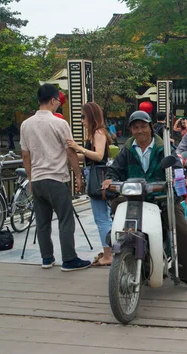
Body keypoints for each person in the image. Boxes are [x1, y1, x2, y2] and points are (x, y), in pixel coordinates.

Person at [103, 111, 187, 286]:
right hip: (134, 199)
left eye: (143, 126)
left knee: (183, 232)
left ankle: (185, 271)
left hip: (161, 198)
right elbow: (114, 170)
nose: (140, 131)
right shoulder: (127, 151)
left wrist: (177, 185)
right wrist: (109, 180)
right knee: (116, 208)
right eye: (135, 127)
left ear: (151, 127)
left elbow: (177, 169)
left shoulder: (165, 149)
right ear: (131, 130)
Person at [20, 83, 91, 271]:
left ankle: (46, 258)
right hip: (57, 179)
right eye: (58, 102)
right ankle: (69, 259)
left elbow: (25, 155)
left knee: (42, 222)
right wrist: (78, 176)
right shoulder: (60, 123)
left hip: (37, 179)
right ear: (52, 100)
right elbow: (70, 152)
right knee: (65, 219)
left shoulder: (25, 125)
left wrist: (30, 178)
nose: (58, 105)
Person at [66, 102, 113, 267]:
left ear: (91, 117)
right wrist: (71, 155)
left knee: (101, 218)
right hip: (97, 175)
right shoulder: (95, 133)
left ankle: (108, 254)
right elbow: (89, 157)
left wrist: (78, 147)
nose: (81, 121)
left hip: (98, 178)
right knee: (104, 217)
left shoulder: (98, 133)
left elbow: (99, 156)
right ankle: (111, 251)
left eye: (83, 117)